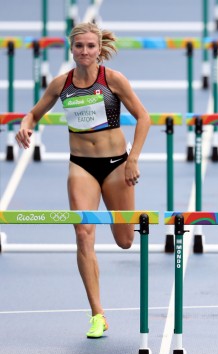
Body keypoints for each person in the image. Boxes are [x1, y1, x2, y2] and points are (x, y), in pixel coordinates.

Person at [15, 22, 150, 337]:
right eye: (79, 47)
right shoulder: (61, 84)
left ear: (99, 49)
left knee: (125, 240)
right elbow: (33, 113)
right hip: (81, 167)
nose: (85, 51)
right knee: (83, 234)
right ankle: (97, 314)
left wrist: (133, 160)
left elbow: (144, 117)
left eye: (91, 46)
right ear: (71, 49)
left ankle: (101, 303)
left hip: (117, 165)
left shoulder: (113, 80)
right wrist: (26, 124)